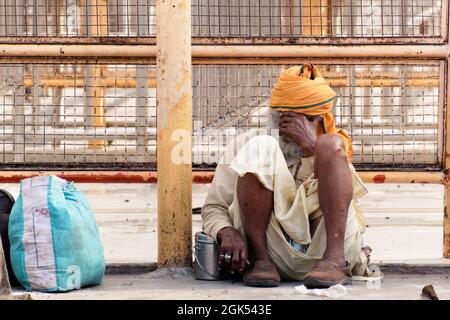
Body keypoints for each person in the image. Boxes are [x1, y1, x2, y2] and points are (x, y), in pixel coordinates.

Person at [201, 64, 371, 288]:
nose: (297, 128)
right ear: (275, 118)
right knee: (260, 145)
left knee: (330, 144)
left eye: (308, 119)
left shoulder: (333, 148)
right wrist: (226, 231)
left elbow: (345, 207)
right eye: (289, 121)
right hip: (270, 254)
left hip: (326, 250)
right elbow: (214, 207)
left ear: (320, 119)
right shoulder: (248, 145)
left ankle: (335, 262)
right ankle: (261, 262)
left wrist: (312, 148)